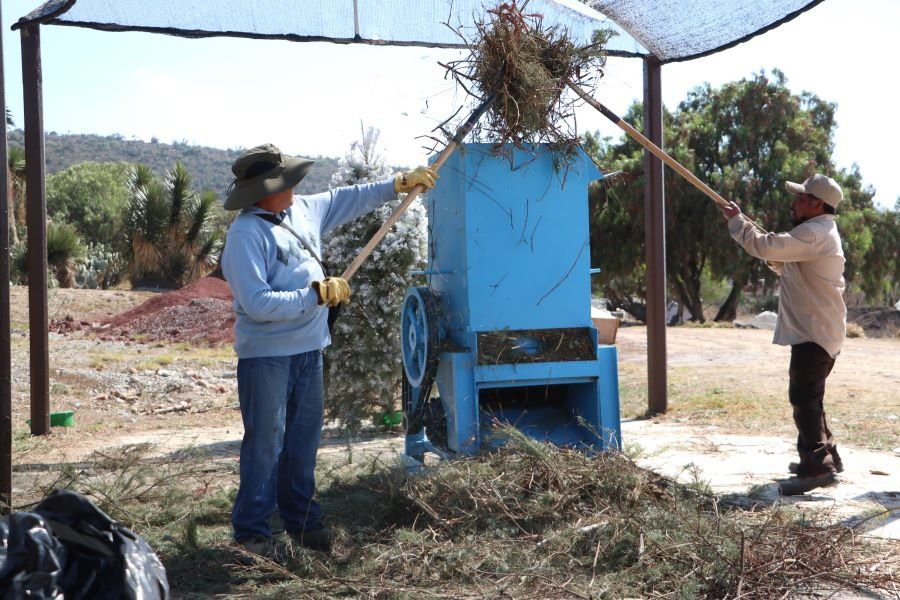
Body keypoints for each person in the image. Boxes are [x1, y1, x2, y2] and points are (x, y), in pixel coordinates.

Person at [220, 143, 437, 558]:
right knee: (266, 444)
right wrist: (315, 294)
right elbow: (257, 304)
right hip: (266, 357)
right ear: (264, 191)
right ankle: (252, 535)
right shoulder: (246, 235)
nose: (294, 187)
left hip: (309, 351)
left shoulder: (301, 211)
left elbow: (346, 199)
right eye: (285, 182)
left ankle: (302, 522)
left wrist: (396, 185)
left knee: (302, 442)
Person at [719, 174, 846, 496]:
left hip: (815, 331)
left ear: (817, 204)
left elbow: (765, 246)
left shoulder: (815, 233)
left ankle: (817, 467)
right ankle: (826, 456)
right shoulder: (816, 232)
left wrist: (737, 224)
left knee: (804, 398)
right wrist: (748, 227)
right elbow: (780, 259)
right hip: (818, 328)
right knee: (811, 397)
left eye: (802, 198)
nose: (795, 202)